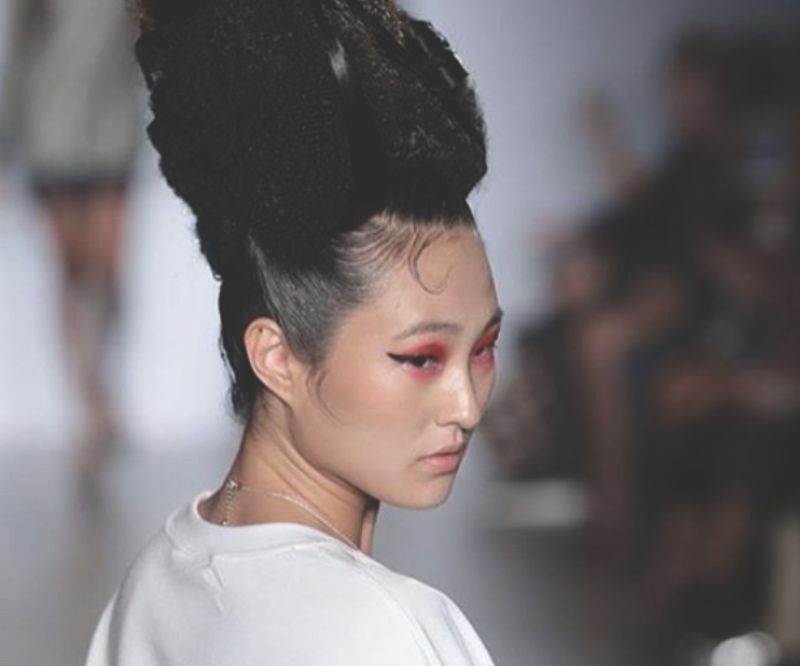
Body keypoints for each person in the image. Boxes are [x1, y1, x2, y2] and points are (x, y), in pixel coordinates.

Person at [84, 0, 500, 663]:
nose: (468, 406)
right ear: (276, 357)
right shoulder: (388, 631)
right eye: (421, 358)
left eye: (483, 349)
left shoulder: (153, 584)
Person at [0, 0, 141, 490]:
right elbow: (20, 61)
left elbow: (146, 47)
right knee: (72, 274)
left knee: (106, 270)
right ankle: (92, 407)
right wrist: (5, 149)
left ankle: (101, 391)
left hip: (111, 134)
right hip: (51, 138)